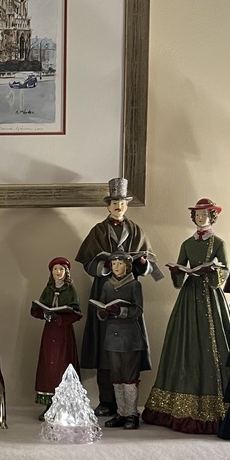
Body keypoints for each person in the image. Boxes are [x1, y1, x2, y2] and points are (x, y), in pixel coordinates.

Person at [142, 198, 230, 433]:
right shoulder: (187, 244)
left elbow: (225, 271)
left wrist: (214, 272)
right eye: (197, 215)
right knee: (185, 342)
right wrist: (177, 271)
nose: (200, 218)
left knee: (214, 343)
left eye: (204, 215)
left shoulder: (218, 243)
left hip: (210, 298)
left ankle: (216, 406)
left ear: (212, 217)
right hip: (189, 297)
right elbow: (179, 276)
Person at [76, 178, 161, 415]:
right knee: (104, 344)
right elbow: (87, 262)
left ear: (127, 206)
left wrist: (141, 263)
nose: (118, 207)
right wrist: (105, 265)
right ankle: (106, 401)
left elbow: (150, 266)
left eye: (122, 203)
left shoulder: (136, 230)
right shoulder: (98, 230)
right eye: (114, 203)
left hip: (128, 288)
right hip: (104, 287)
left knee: (128, 345)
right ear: (108, 206)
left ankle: (128, 406)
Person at [94, 252, 149, 429]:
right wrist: (103, 312)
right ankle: (121, 412)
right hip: (112, 338)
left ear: (127, 265)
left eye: (119, 263)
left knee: (130, 376)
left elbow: (138, 310)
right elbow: (100, 307)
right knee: (116, 376)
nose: (116, 267)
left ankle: (131, 414)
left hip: (130, 337)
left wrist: (120, 311)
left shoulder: (134, 284)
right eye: (113, 264)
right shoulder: (107, 285)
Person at [30, 257, 82, 419]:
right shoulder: (48, 290)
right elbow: (38, 309)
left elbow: (76, 313)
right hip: (50, 331)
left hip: (64, 332)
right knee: (49, 364)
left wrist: (61, 318)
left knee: (63, 364)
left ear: (66, 272)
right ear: (51, 272)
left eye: (61, 269)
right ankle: (50, 405)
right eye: (55, 269)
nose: (58, 272)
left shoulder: (70, 290)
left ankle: (66, 405)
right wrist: (45, 313)